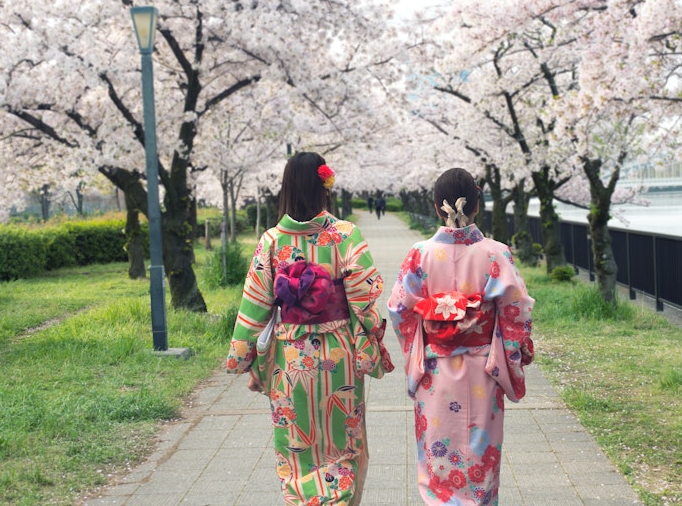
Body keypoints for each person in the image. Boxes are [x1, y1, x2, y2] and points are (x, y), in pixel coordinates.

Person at [227, 152, 394, 506]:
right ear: (325, 187)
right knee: (343, 447)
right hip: (340, 357)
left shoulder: (271, 241)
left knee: (296, 449)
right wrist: (373, 344)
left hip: (290, 361)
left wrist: (243, 358)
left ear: (286, 189)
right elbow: (365, 301)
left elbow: (254, 307)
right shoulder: (347, 235)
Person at [387, 168, 534, 506]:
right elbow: (517, 313)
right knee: (480, 460)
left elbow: (398, 310)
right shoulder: (496, 253)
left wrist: (422, 344)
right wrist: (512, 352)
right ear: (478, 205)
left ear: (437, 207)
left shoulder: (419, 254)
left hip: (435, 373)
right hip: (484, 368)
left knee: (437, 457)